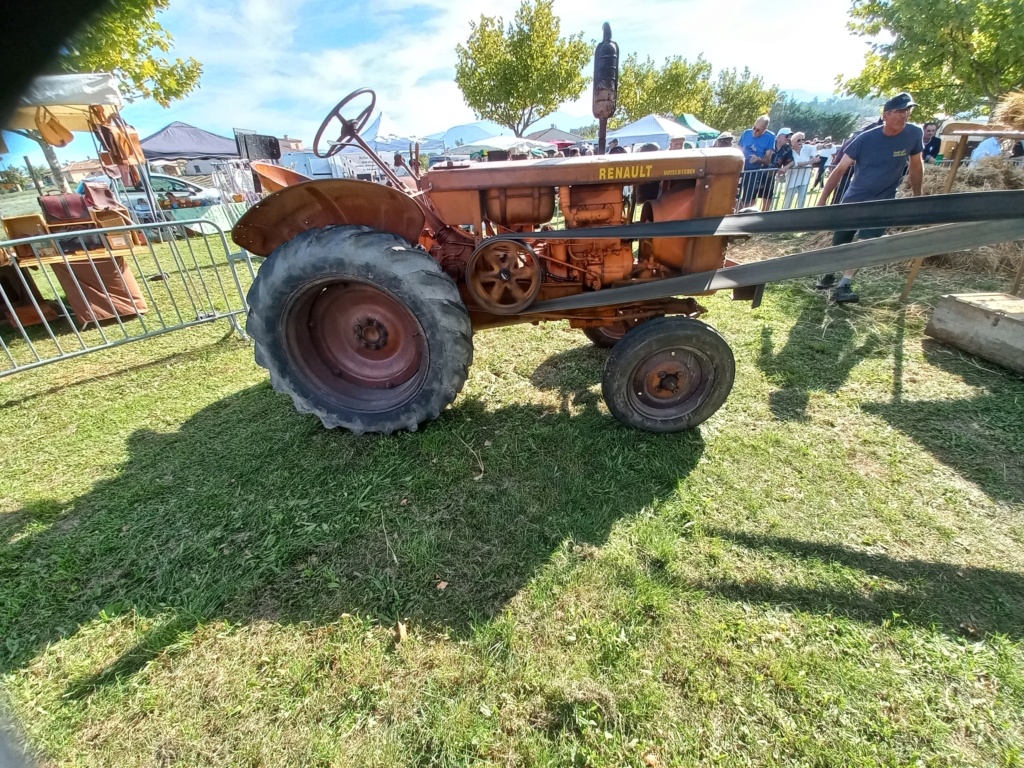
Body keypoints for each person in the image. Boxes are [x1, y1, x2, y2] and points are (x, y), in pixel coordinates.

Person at [815, 92, 924, 303]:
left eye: (907, 111)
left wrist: (917, 196)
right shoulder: (865, 139)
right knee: (841, 241)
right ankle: (830, 271)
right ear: (885, 115)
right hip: (855, 199)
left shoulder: (913, 134)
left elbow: (916, 165)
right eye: (899, 111)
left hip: (883, 202)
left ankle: (844, 284)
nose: (904, 116)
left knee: (867, 243)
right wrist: (822, 200)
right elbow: (839, 170)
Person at [738, 115, 776, 210]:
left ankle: (744, 217)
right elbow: (738, 150)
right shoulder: (746, 133)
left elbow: (768, 160)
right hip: (740, 170)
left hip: (753, 172)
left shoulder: (770, 137)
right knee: (734, 195)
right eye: (754, 128)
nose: (754, 131)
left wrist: (758, 159)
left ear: (765, 129)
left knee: (748, 198)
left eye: (758, 130)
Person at [781, 132, 815, 209]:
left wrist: (824, 146)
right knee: (787, 203)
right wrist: (809, 162)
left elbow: (817, 148)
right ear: (792, 142)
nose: (801, 142)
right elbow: (794, 163)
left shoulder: (806, 149)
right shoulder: (789, 152)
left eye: (803, 140)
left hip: (804, 180)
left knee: (801, 204)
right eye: (798, 140)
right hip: (792, 181)